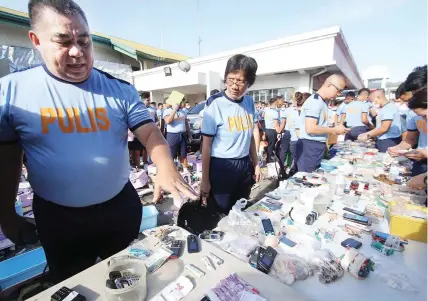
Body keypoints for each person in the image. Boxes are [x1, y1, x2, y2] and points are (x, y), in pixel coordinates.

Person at [0, 0, 196, 284]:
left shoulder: (119, 90)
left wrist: (165, 165)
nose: (78, 52)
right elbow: (7, 159)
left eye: (84, 40)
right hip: (58, 219)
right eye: (64, 42)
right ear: (36, 40)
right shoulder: (11, 93)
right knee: (73, 284)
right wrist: (6, 214)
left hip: (118, 210)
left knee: (126, 277)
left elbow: (151, 133)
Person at [200, 54, 261, 214]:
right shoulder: (215, 103)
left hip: (244, 165)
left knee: (241, 208)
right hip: (222, 167)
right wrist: (204, 180)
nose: (234, 86)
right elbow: (206, 146)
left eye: (240, 81)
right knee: (221, 212)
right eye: (230, 79)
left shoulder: (249, 102)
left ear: (249, 83)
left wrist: (256, 163)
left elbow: (249, 138)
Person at [296, 74, 349, 172]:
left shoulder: (322, 101)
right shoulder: (315, 102)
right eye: (338, 90)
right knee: (307, 178)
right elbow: (310, 128)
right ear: (329, 84)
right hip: (310, 146)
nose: (338, 94)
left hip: (315, 145)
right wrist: (334, 130)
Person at [388, 88, 427, 176]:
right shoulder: (412, 114)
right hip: (421, 162)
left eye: (408, 100)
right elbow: (410, 139)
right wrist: (398, 149)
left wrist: (425, 153)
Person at [279, 92, 308, 167]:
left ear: (293, 99)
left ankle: (281, 167)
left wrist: (279, 132)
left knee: (284, 150)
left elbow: (283, 123)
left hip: (288, 131)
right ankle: (291, 168)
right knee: (294, 152)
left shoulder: (287, 110)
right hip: (298, 133)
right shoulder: (304, 110)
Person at [163, 99, 191, 170]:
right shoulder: (167, 111)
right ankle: (171, 170)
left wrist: (189, 135)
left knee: (183, 154)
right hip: (172, 135)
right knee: (171, 154)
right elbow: (168, 121)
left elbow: (186, 123)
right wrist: (174, 110)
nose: (179, 104)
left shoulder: (183, 111)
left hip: (182, 134)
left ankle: (185, 170)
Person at [264, 97, 281, 163]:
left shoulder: (266, 110)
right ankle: (269, 159)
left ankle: (267, 157)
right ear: (275, 103)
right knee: (271, 145)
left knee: (268, 145)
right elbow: (276, 124)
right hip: (272, 130)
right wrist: (279, 132)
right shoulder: (275, 112)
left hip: (267, 129)